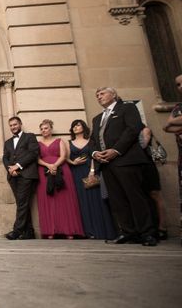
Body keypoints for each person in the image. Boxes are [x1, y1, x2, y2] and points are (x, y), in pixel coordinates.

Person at [91, 87, 157, 246]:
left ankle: (147, 233)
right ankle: (128, 232)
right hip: (106, 164)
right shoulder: (97, 118)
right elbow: (93, 139)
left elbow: (133, 130)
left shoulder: (127, 108)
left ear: (113, 95)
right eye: (97, 95)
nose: (99, 97)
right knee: (117, 200)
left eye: (102, 93)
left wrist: (116, 150)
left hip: (126, 160)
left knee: (136, 197)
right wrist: (95, 153)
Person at [66, 119, 116, 239]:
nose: (75, 127)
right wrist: (73, 162)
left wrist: (92, 171)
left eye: (78, 125)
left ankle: (101, 230)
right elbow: (65, 158)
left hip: (90, 170)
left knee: (96, 200)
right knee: (81, 201)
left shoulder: (91, 141)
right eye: (73, 126)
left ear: (83, 126)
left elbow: (94, 156)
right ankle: (88, 231)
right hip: (76, 173)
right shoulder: (69, 142)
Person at [36, 119, 84, 239]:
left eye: (46, 128)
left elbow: (63, 156)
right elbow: (37, 159)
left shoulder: (59, 141)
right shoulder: (38, 143)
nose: (43, 131)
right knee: (48, 199)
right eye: (41, 129)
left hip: (61, 170)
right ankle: (50, 230)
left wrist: (55, 165)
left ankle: (69, 230)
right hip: (44, 172)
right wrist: (48, 166)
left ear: (51, 129)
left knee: (64, 199)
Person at [2, 116, 39, 240]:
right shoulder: (7, 142)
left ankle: (17, 231)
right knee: (22, 203)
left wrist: (17, 166)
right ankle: (29, 232)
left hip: (26, 175)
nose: (13, 127)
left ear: (20, 124)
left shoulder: (30, 137)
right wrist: (10, 169)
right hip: (13, 177)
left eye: (15, 124)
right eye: (11, 125)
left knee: (22, 203)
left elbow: (33, 153)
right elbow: (5, 158)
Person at [163, 73, 182, 245]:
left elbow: (172, 124)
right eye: (177, 84)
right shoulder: (177, 106)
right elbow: (167, 126)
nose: (180, 87)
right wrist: (173, 123)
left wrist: (175, 122)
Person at [140, 126, 168, 240]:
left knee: (155, 194)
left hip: (147, 165)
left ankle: (162, 227)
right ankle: (149, 226)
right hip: (136, 167)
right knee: (142, 197)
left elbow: (143, 145)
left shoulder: (145, 129)